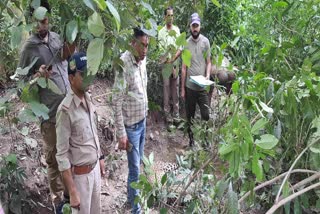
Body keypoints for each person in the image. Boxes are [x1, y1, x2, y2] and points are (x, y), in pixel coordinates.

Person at [17, 0, 75, 204]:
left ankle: (70, 197)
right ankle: (58, 201)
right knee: (54, 160)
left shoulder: (57, 39)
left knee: (69, 155)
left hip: (68, 109)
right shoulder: (28, 48)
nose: (42, 26)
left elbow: (64, 59)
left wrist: (73, 40)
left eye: (45, 21)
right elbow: (20, 86)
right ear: (32, 22)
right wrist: (37, 76)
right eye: (38, 22)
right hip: (49, 115)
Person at [55, 52, 105, 214]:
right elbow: (62, 156)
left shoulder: (88, 98)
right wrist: (73, 191)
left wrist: (100, 156)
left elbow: (93, 133)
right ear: (71, 78)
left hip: (95, 170)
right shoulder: (65, 111)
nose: (88, 78)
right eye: (83, 74)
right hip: (80, 179)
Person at [113, 28, 149, 214]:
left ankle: (130, 198)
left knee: (138, 164)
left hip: (142, 121)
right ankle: (137, 209)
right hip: (131, 127)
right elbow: (116, 100)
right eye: (142, 45)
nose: (145, 50)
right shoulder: (124, 63)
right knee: (135, 168)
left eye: (147, 46)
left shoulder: (142, 61)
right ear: (132, 44)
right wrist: (121, 133)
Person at [181, 13, 212, 146]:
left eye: (197, 26)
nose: (195, 28)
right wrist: (182, 89)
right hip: (190, 87)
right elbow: (183, 68)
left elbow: (209, 62)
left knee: (206, 115)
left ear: (200, 26)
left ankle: (205, 141)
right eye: (193, 26)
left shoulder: (205, 42)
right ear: (190, 26)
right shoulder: (186, 44)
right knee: (190, 116)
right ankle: (191, 141)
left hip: (202, 88)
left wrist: (207, 75)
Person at [158, 6, 182, 123]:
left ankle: (176, 114)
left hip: (175, 64)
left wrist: (173, 62)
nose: (170, 18)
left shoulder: (177, 30)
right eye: (168, 15)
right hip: (166, 65)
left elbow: (180, 48)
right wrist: (169, 62)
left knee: (175, 89)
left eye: (172, 15)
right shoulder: (161, 32)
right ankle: (167, 115)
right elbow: (161, 51)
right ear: (164, 17)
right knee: (166, 89)